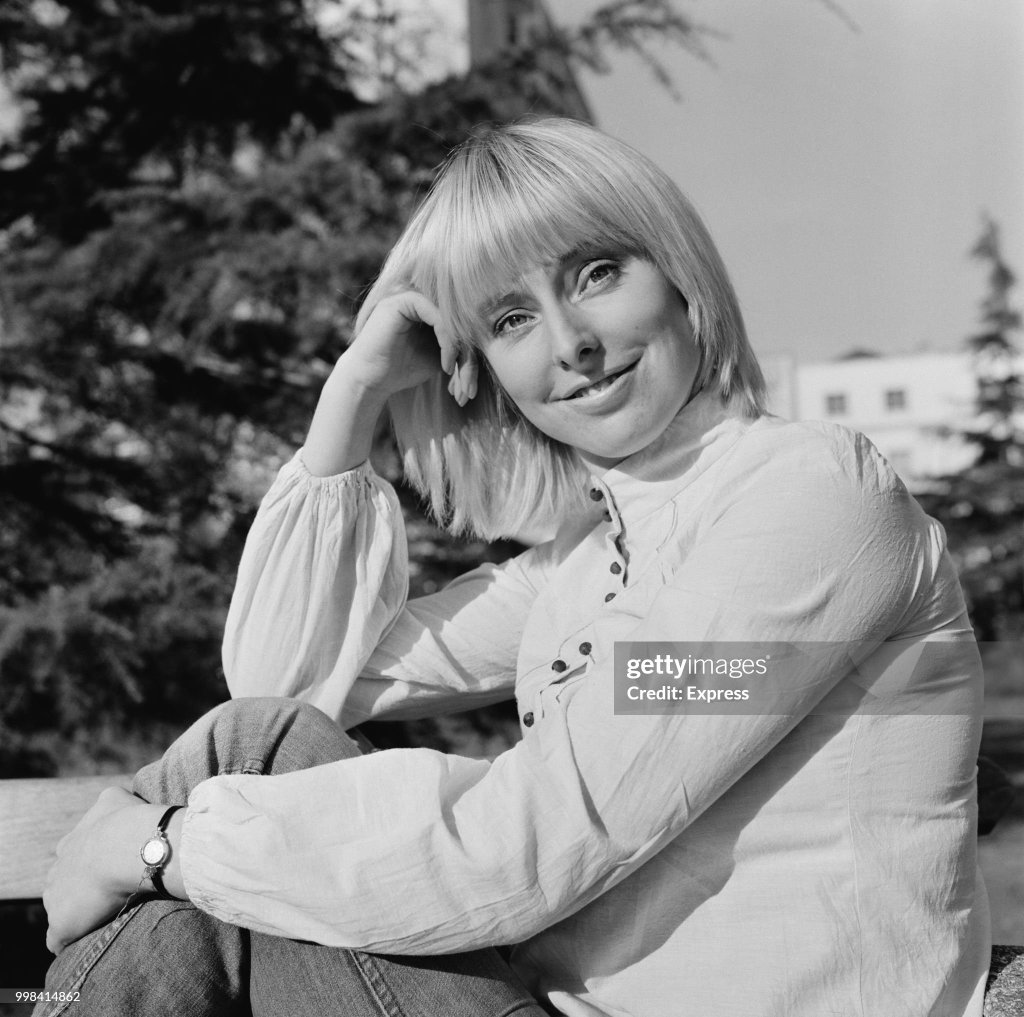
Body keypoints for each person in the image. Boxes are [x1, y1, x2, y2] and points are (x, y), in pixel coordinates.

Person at [39, 118, 990, 1017]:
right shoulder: (583, 565)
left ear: (679, 272)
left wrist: (154, 845)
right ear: (482, 367)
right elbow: (287, 680)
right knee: (250, 756)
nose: (571, 344)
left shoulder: (810, 501)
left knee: (223, 807)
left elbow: (538, 841)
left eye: (598, 273)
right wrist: (357, 390)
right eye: (510, 319)